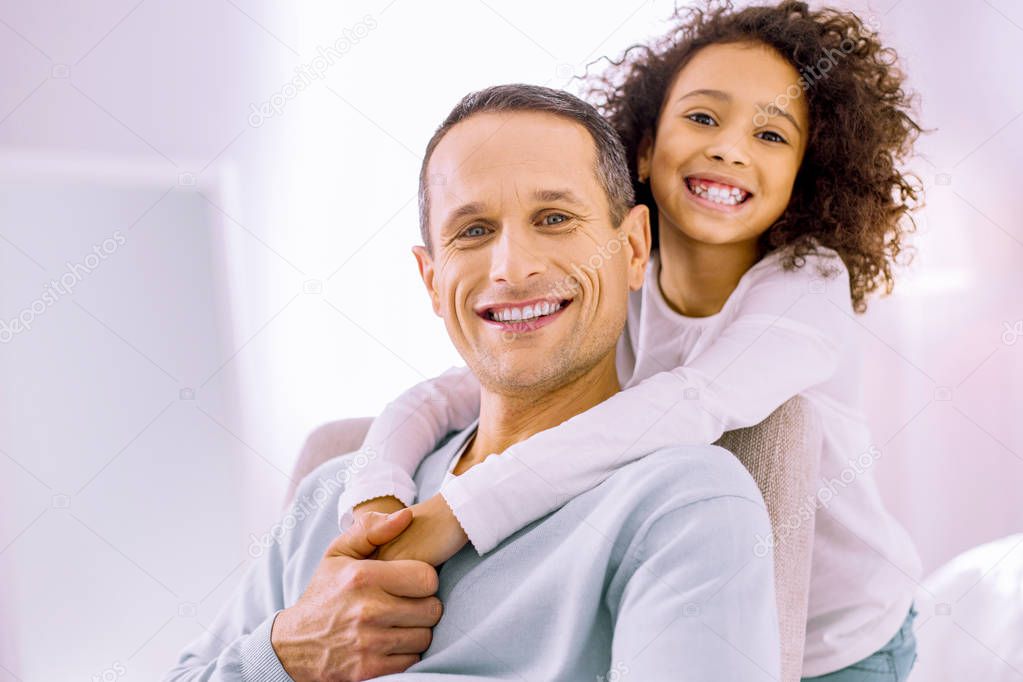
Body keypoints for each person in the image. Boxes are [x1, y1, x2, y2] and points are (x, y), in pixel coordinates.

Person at [340, 2, 924, 680]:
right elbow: (445, 396)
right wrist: (375, 501)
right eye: (702, 118)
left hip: (839, 639)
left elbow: (692, 404)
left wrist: (455, 514)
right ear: (644, 147)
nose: (729, 147)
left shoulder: (806, 290)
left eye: (770, 135)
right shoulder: (611, 281)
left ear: (804, 173)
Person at [165, 84, 779, 681]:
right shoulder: (331, 499)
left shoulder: (681, 504)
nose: (513, 267)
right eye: (474, 231)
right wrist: (286, 656)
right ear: (432, 279)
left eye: (556, 218)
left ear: (635, 248)